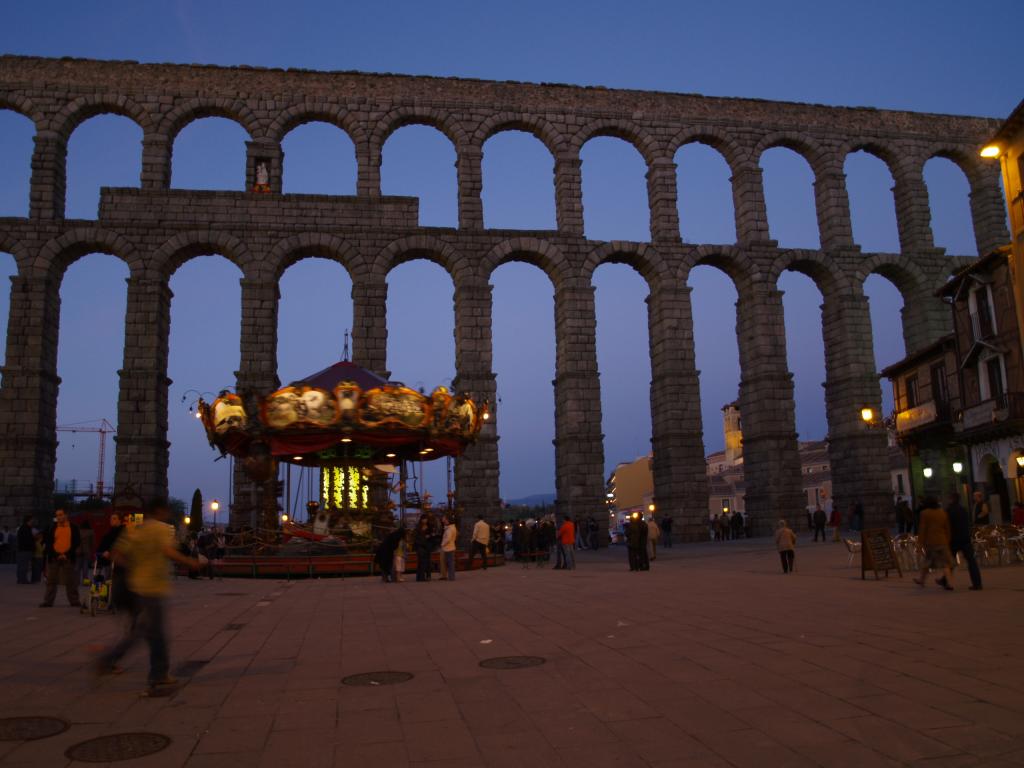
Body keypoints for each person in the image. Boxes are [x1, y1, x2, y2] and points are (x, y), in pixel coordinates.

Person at [96, 499, 200, 693]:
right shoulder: (161, 528)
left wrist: (132, 568)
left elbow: (116, 553)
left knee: (143, 630)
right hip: (153, 587)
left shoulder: (135, 528)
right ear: (161, 511)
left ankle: (109, 660)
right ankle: (158, 675)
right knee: (156, 633)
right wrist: (190, 562)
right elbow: (168, 551)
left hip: (135, 586)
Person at [40, 508, 81, 607]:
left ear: (66, 515)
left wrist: (66, 554)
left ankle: (74, 601)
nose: (58, 517)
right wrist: (57, 554)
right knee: (51, 580)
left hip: (68, 557)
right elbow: (48, 542)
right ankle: (48, 601)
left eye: (60, 514)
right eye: (57, 515)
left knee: (71, 580)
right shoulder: (52, 527)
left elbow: (76, 542)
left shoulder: (73, 527)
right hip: (54, 557)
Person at [914, 496, 954, 591]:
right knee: (945, 563)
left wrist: (920, 543)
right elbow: (947, 528)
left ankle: (921, 580)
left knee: (927, 561)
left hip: (931, 542)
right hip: (942, 541)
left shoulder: (924, 513)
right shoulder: (942, 513)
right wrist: (948, 539)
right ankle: (949, 583)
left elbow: (922, 529)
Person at [946, 491, 982, 591]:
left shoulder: (949, 510)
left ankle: (945, 581)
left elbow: (947, 525)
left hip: (954, 539)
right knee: (971, 561)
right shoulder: (963, 509)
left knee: (950, 561)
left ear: (952, 499)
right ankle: (977, 583)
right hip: (965, 538)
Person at [16, 515, 34, 584]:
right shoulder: (26, 528)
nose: (33, 521)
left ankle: (21, 579)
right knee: (24, 565)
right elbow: (27, 539)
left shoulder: (23, 528)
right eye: (32, 519)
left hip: (22, 549)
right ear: (29, 520)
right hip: (25, 549)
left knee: (21, 565)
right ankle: (22, 579)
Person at [414, 517, 433, 582]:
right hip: (420, 546)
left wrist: (429, 536)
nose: (425, 520)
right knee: (421, 562)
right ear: (421, 520)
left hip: (427, 546)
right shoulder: (418, 527)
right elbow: (416, 537)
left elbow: (431, 535)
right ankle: (420, 577)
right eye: (424, 519)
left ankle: (428, 576)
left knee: (428, 561)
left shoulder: (429, 527)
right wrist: (423, 535)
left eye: (426, 519)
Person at [441, 516, 457, 580]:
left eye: (445, 520)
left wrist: (442, 544)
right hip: (451, 547)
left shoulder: (450, 529)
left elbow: (448, 539)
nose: (444, 521)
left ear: (448, 521)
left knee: (450, 563)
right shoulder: (452, 527)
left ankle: (451, 577)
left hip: (448, 548)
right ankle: (451, 576)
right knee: (451, 563)